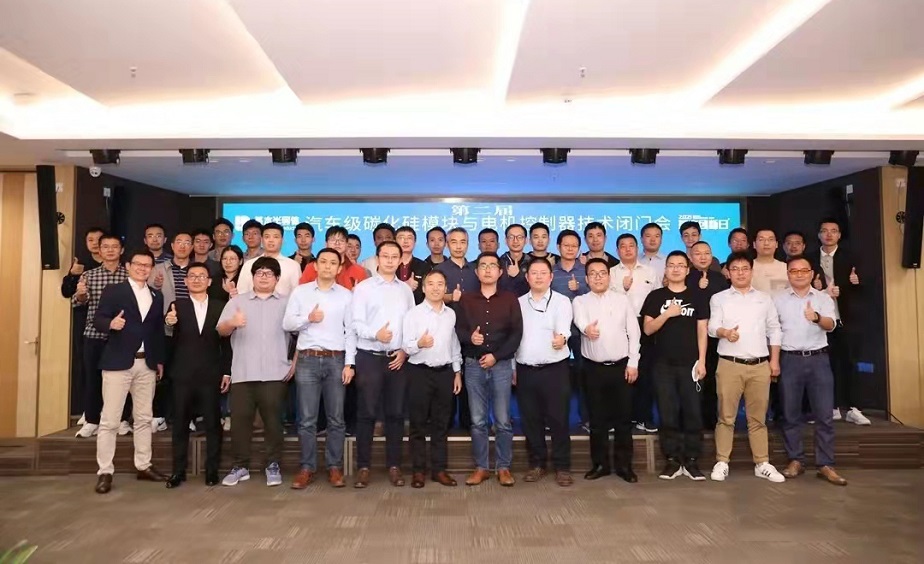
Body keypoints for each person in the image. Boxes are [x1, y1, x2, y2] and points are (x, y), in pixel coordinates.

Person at [92, 249, 167, 494]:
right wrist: (110, 324)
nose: (143, 268)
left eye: (147, 265)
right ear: (128, 266)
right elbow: (98, 319)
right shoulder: (114, 291)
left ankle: (143, 465)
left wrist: (159, 360)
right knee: (110, 420)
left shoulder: (156, 295)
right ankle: (105, 471)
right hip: (118, 363)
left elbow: (156, 331)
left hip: (147, 364)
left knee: (144, 418)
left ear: (152, 268)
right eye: (138, 264)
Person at [707, 251, 785, 483]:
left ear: (752, 271)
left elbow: (774, 329)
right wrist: (725, 332)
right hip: (729, 364)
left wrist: (774, 361)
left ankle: (762, 463)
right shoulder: (719, 298)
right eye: (735, 269)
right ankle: (722, 461)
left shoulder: (764, 299)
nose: (740, 273)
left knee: (758, 418)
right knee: (725, 417)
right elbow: (712, 327)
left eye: (745, 269)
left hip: (760, 365)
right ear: (728, 273)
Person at [218, 257, 295, 487]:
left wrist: (295, 363)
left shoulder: (288, 303)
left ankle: (273, 464)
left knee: (274, 423)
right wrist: (232, 322)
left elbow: (301, 335)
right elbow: (221, 330)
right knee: (240, 423)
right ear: (252, 277)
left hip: (275, 372)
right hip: (243, 372)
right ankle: (240, 466)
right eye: (259, 272)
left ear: (277, 278)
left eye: (269, 273)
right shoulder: (237, 301)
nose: (263, 277)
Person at [283, 248, 356, 489]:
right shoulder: (301, 292)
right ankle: (307, 467)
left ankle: (334, 467)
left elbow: (350, 332)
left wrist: (350, 363)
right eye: (323, 261)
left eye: (333, 263)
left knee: (336, 418)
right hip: (308, 359)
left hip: (336, 360)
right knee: (306, 419)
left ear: (339, 268)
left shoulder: (346, 295)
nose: (327, 266)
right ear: (315, 266)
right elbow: (288, 323)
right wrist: (308, 318)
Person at [775, 256, 847, 486]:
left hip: (819, 359)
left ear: (811, 273)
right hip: (790, 359)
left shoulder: (823, 298)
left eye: (803, 270)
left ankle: (826, 464)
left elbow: (831, 325)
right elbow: (772, 331)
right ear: (788, 274)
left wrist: (816, 318)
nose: (799, 274)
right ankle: (795, 460)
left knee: (824, 414)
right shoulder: (777, 300)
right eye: (793, 271)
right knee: (790, 413)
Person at [351, 241, 415, 488]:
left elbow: (412, 323)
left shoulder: (405, 290)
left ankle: (394, 466)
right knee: (366, 413)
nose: (389, 260)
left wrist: (405, 351)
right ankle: (363, 467)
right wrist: (375, 334)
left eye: (394, 257)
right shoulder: (364, 288)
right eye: (385, 256)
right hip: (369, 357)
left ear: (400, 260)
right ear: (377, 259)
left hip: (397, 359)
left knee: (396, 414)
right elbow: (355, 323)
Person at [456, 252, 523, 487]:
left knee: (503, 420)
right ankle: (481, 467)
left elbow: (516, 333)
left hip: (501, 365)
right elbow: (458, 329)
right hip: (473, 365)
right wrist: (469, 338)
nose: (487, 269)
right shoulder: (466, 299)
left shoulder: (510, 299)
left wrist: (496, 356)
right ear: (476, 272)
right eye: (482, 265)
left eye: (492, 265)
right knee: (477, 420)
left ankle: (503, 467)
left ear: (500, 272)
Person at [641, 251, 708, 481]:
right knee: (667, 412)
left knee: (693, 412)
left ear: (688, 270)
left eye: (681, 265)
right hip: (663, 365)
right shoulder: (656, 297)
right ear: (666, 269)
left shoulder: (697, 296)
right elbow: (648, 329)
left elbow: (702, 330)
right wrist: (667, 314)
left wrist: (702, 360)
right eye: (671, 265)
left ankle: (691, 460)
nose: (676, 269)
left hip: (691, 364)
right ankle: (671, 460)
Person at [573, 258, 640, 482]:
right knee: (597, 420)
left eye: (602, 273)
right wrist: (587, 330)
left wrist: (633, 362)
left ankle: (624, 466)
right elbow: (580, 321)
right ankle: (600, 464)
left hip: (622, 368)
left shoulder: (622, 300)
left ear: (609, 277)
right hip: (593, 369)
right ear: (586, 279)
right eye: (593, 273)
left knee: (624, 419)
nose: (598, 277)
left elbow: (634, 333)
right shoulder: (580, 301)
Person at [164, 262, 231, 488]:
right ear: (185, 281)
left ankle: (212, 471)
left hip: (211, 374)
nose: (196, 279)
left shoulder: (221, 306)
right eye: (192, 276)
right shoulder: (177, 306)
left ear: (209, 281)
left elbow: (227, 343)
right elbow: (169, 335)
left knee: (213, 424)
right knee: (180, 424)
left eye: (201, 276)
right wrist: (169, 323)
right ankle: (178, 472)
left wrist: (227, 371)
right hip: (182, 374)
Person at [401, 269, 463, 488]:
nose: (436, 288)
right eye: (431, 284)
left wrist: (457, 371)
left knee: (441, 424)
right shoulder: (413, 314)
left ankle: (439, 470)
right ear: (424, 288)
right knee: (417, 424)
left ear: (445, 288)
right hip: (419, 373)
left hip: (444, 373)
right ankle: (418, 471)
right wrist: (419, 344)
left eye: (440, 284)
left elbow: (454, 345)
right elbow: (406, 346)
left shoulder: (451, 314)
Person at [515, 258, 573, 486]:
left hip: (555, 369)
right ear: (527, 277)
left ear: (551, 277)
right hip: (525, 369)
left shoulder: (562, 301)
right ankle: (537, 464)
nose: (538, 277)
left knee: (559, 419)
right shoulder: (518, 303)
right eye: (534, 273)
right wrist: (513, 368)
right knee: (531, 420)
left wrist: (562, 338)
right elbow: (514, 338)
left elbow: (564, 327)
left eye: (543, 273)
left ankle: (562, 467)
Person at [806, 218, 870, 425]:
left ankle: (853, 408)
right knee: (823, 367)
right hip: (819, 322)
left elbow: (868, 285)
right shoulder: (809, 259)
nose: (829, 234)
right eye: (824, 231)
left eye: (833, 231)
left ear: (839, 235)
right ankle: (830, 407)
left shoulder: (851, 257)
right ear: (818, 235)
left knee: (850, 363)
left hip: (846, 319)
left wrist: (857, 282)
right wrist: (815, 287)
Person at [72, 234, 132, 438]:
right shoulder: (89, 275)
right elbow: (78, 302)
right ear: (99, 250)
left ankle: (122, 420)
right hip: (94, 334)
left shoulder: (129, 275)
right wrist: (81, 294)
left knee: (124, 380)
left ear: (122, 250)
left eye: (115, 246)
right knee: (93, 379)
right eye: (105, 246)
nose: (110, 250)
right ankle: (92, 420)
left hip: (123, 336)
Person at [609, 233, 657, 433]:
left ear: (637, 249)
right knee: (621, 372)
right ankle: (622, 418)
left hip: (644, 323)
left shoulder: (649, 272)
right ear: (617, 250)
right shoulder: (610, 273)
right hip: (618, 325)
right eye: (623, 246)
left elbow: (657, 298)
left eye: (631, 245)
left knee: (645, 372)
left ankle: (643, 417)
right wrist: (623, 289)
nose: (628, 249)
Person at [550, 230, 590, 431]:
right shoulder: (550, 272)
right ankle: (556, 420)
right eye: (566, 245)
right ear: (558, 247)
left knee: (584, 377)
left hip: (582, 332)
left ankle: (587, 419)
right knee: (557, 379)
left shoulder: (586, 270)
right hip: (557, 333)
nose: (570, 249)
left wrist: (579, 289)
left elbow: (594, 297)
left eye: (574, 246)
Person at [687, 241, 728, 429]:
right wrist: (697, 287)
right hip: (690, 334)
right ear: (690, 257)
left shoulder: (719, 278)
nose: (702, 257)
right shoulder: (685, 277)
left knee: (712, 378)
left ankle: (710, 419)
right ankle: (691, 419)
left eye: (707, 253)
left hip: (715, 336)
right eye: (698, 253)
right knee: (691, 378)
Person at [236, 222, 302, 296]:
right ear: (261, 240)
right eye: (267, 237)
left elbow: (298, 295)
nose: (271, 240)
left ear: (282, 240)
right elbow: (241, 294)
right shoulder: (249, 264)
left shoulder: (293, 266)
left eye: (276, 237)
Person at [299, 226, 368, 290]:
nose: (337, 243)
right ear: (326, 244)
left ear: (346, 244)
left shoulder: (359, 271)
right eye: (333, 240)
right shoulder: (312, 267)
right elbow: (302, 291)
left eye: (341, 240)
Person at [395, 226, 430, 304]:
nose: (405, 241)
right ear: (395, 241)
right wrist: (405, 286)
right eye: (401, 238)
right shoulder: (389, 265)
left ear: (415, 242)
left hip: (418, 309)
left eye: (409, 238)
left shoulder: (424, 266)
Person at [751, 229, 788, 296]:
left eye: (771, 239)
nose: (766, 243)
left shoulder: (786, 268)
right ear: (754, 244)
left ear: (776, 244)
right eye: (761, 240)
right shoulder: (746, 268)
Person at [499, 223, 531, 296]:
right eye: (511, 237)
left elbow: (535, 289)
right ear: (506, 240)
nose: (515, 241)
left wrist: (517, 276)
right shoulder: (499, 263)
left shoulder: (532, 263)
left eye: (519, 237)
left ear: (526, 240)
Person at [640, 222, 665, 287]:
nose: (653, 240)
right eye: (648, 236)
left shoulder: (668, 261)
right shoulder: (634, 260)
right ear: (641, 239)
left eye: (657, 236)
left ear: (661, 239)